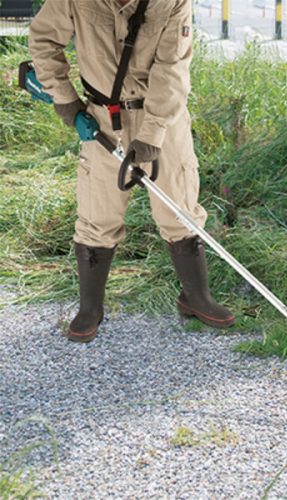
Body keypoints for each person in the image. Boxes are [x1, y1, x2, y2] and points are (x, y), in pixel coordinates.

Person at [29, 0, 235, 343]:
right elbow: (44, 38)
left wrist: (152, 133)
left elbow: (173, 67)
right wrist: (65, 99)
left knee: (180, 209)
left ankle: (195, 296)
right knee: (97, 215)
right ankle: (90, 307)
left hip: (164, 119)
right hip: (102, 118)